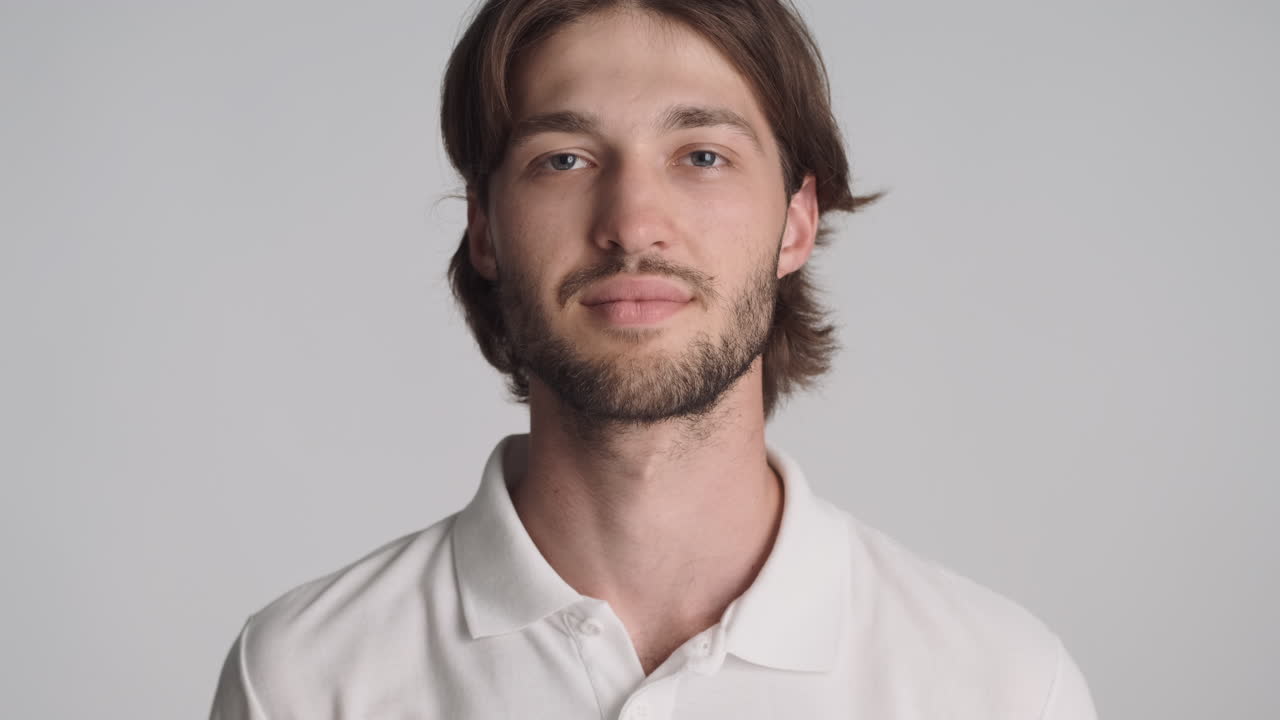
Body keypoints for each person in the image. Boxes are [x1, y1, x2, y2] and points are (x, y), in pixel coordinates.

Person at [209, 1, 1099, 718]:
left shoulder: (1003, 690)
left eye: (702, 156)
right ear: (484, 227)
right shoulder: (300, 682)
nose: (633, 221)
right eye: (563, 158)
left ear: (796, 222)